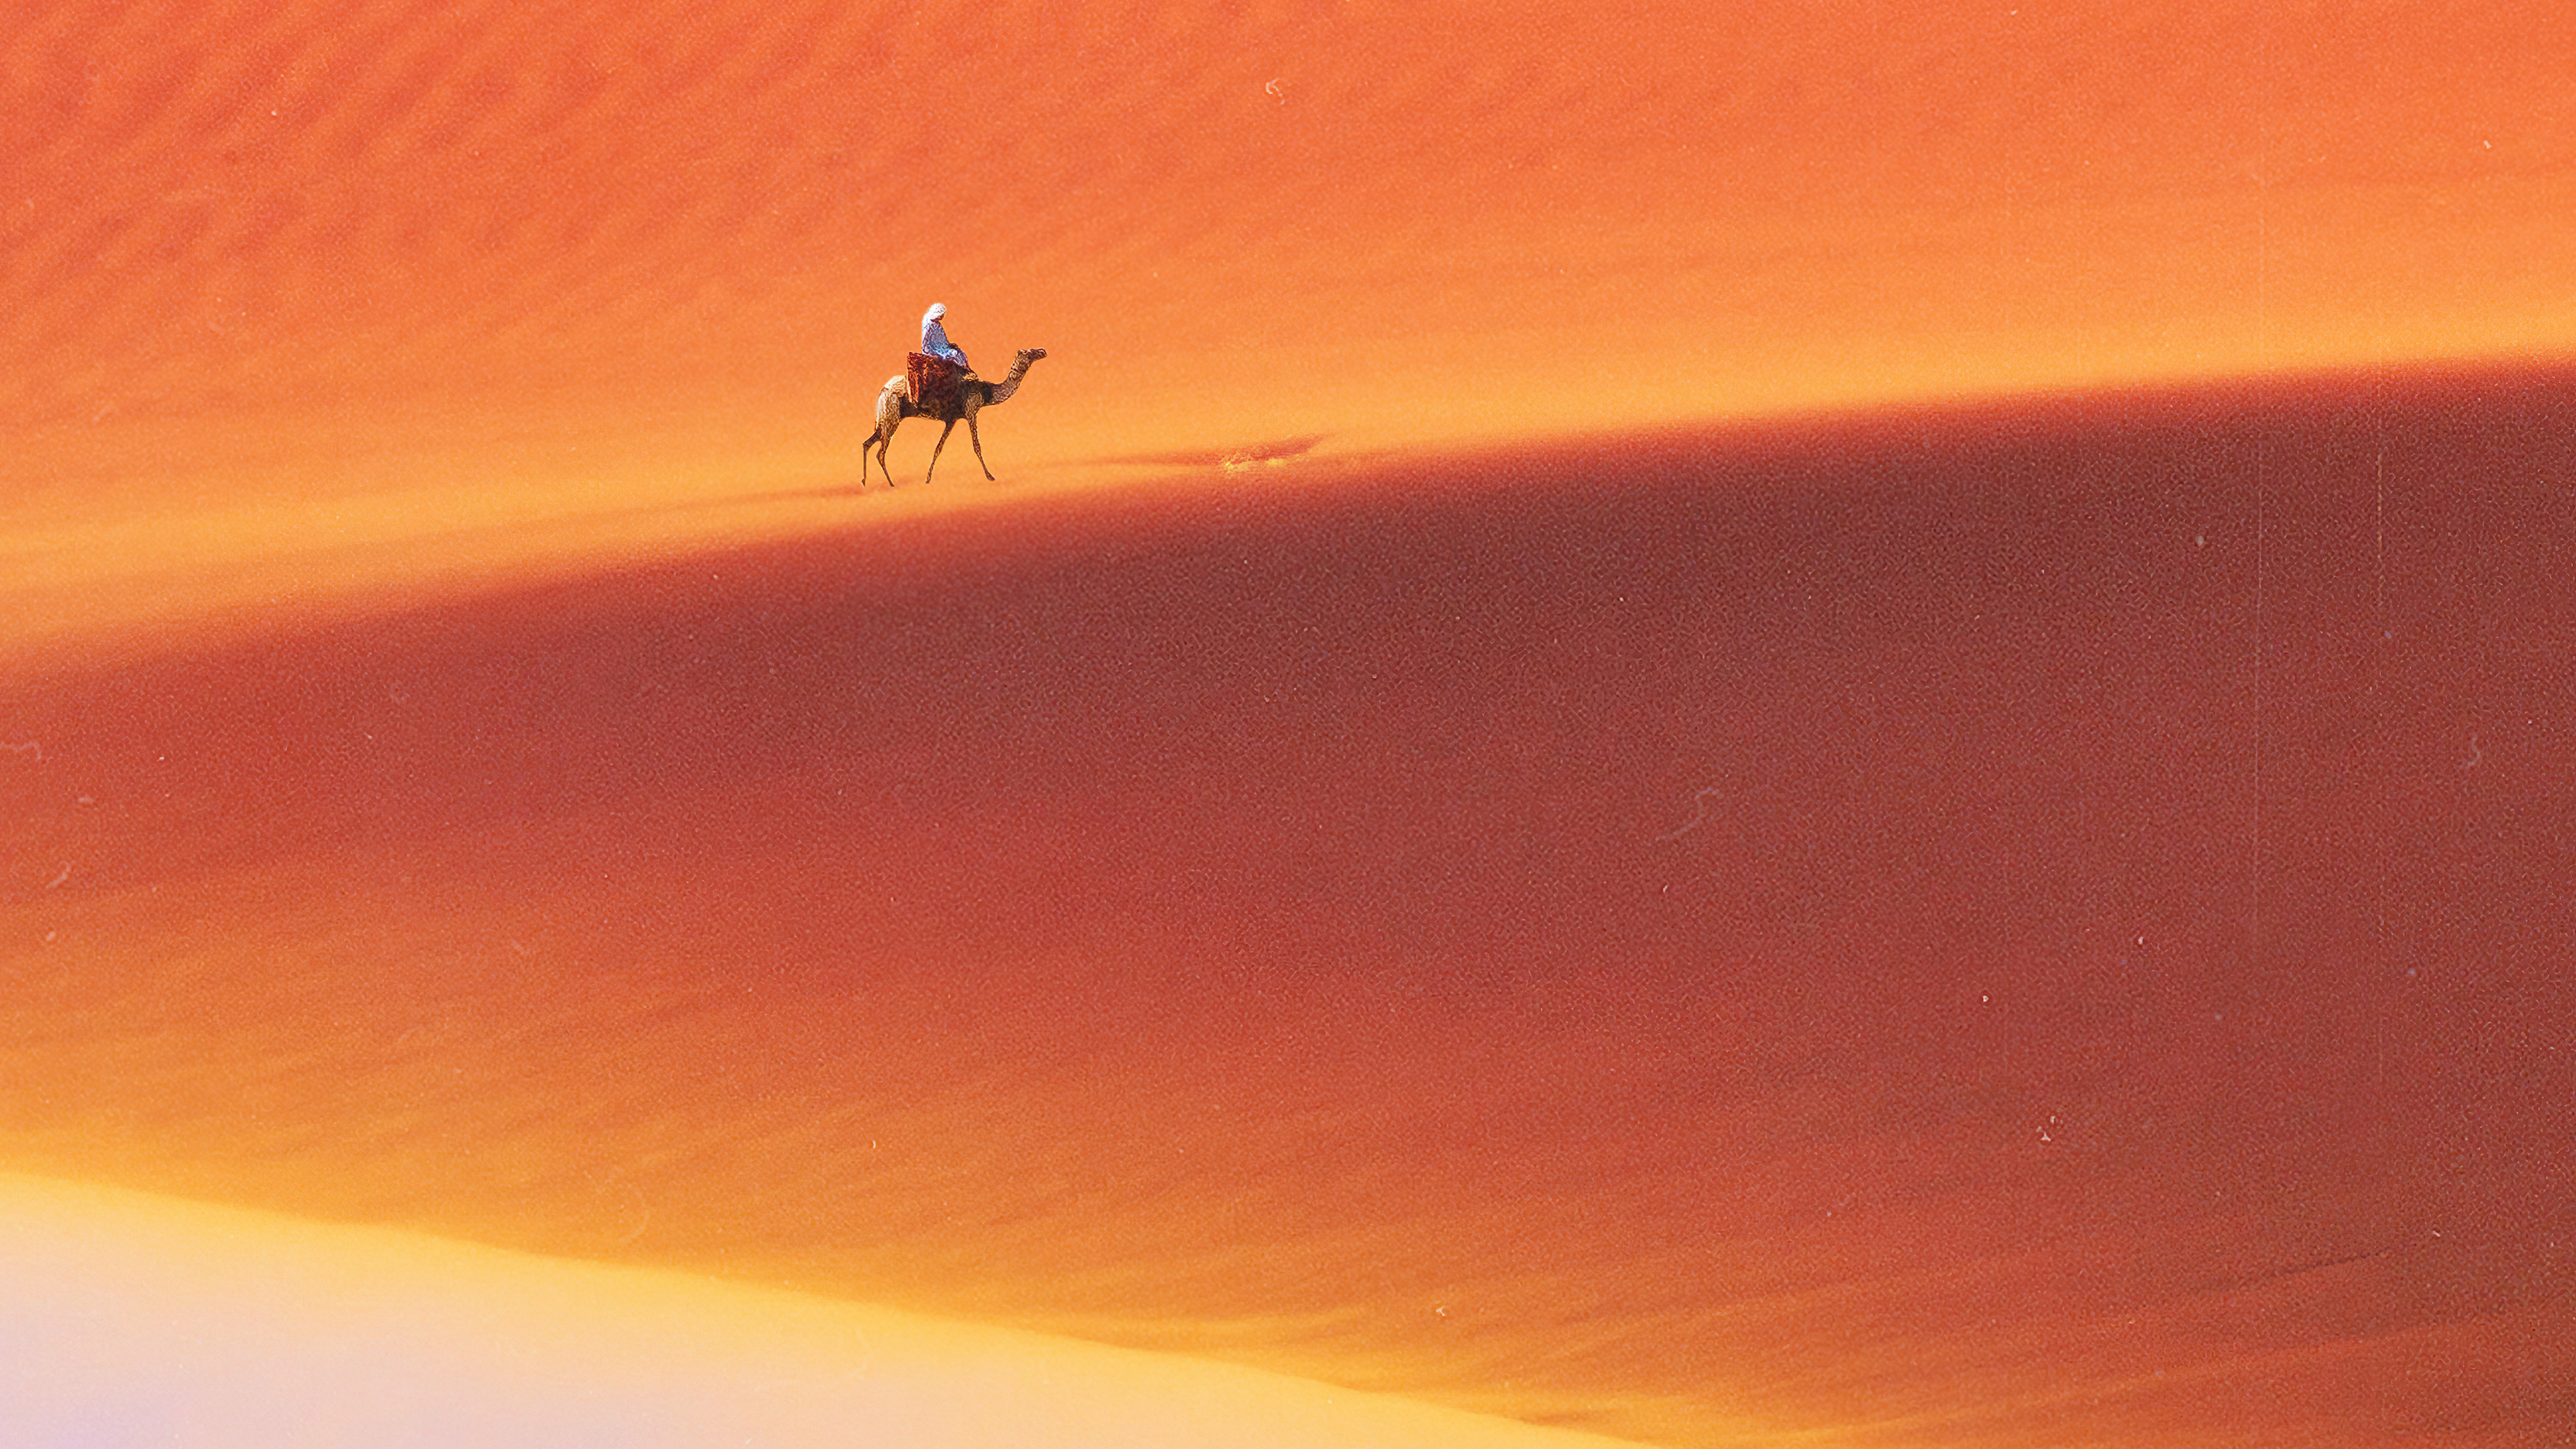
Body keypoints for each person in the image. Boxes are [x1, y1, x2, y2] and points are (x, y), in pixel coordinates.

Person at [919, 303, 969, 374]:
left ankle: (964, 372)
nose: (942, 317)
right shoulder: (929, 324)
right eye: (942, 314)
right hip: (934, 350)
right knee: (955, 354)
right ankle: (961, 373)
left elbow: (942, 339)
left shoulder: (936, 324)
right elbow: (926, 343)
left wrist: (948, 345)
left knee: (958, 352)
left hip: (941, 348)